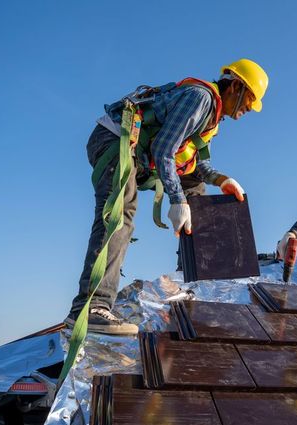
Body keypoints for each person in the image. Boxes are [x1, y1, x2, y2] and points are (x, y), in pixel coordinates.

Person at [66, 59, 269, 335]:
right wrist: (176, 199)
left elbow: (192, 161)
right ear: (236, 86)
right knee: (121, 211)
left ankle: (193, 276)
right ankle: (92, 308)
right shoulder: (201, 98)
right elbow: (163, 148)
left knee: (194, 182)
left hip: (138, 150)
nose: (247, 110)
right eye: (250, 101)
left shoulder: (212, 117)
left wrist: (221, 180)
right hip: (115, 142)